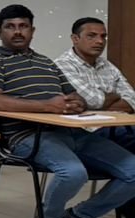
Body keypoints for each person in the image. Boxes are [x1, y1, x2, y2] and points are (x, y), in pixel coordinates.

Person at [0, 4, 135, 218]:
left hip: (72, 131)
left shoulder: (46, 62)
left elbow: (75, 96)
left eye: (24, 26)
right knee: (73, 173)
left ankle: (80, 217)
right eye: (10, 27)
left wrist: (76, 103)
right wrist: (47, 106)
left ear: (32, 31)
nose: (18, 32)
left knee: (133, 170)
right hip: (27, 136)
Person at [55, 17, 135, 150]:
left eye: (103, 36)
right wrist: (115, 96)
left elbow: (132, 99)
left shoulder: (106, 65)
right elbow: (93, 100)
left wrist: (96, 106)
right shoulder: (62, 65)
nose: (100, 41)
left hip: (118, 127)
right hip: (85, 132)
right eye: (91, 36)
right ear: (75, 39)